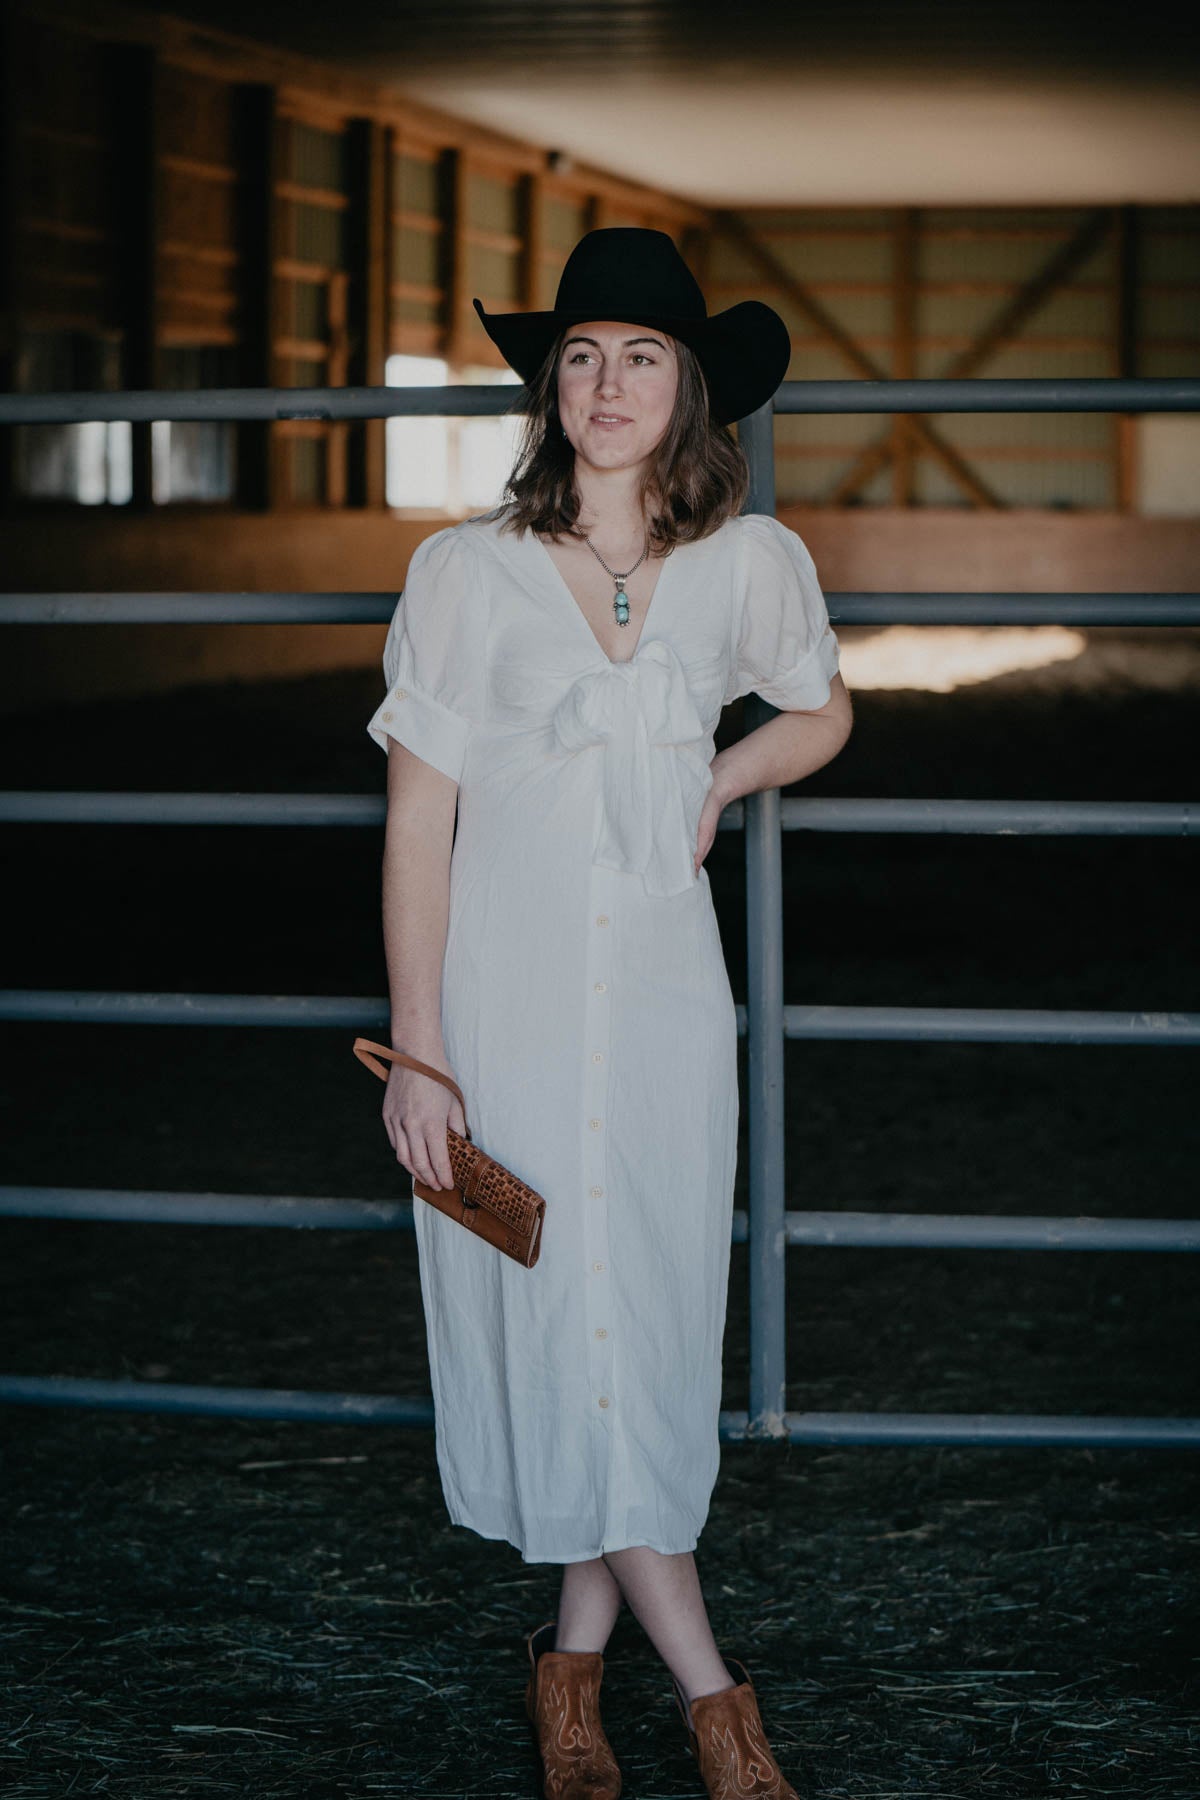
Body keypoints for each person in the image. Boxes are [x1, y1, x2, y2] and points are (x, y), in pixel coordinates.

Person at [367, 227, 853, 1800]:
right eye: (579, 355)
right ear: (548, 386)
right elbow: (417, 824)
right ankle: (721, 1711)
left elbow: (822, 709)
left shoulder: (746, 564)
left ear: (690, 389)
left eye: (641, 355)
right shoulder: (467, 574)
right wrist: (420, 1047)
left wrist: (721, 769)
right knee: (562, 1321)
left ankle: (569, 1680)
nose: (607, 383)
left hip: (660, 1019)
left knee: (631, 1331)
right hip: (500, 1022)